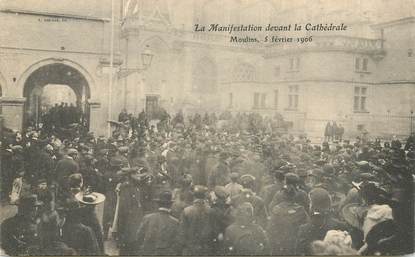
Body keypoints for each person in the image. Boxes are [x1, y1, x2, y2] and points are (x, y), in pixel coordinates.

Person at [296, 188, 348, 255]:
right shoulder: (340, 226)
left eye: (310, 203)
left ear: (313, 206)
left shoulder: (304, 229)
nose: (309, 205)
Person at [267, 181, 308, 255]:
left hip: (280, 244)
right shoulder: (301, 210)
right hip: (295, 245)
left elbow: (270, 229)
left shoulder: (276, 209)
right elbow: (306, 228)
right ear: (294, 196)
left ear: (283, 196)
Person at [135, 191, 181, 255]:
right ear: (170, 205)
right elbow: (177, 243)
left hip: (148, 253)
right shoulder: (175, 222)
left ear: (158, 204)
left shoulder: (147, 218)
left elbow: (139, 237)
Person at [178, 185, 214, 255]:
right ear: (204, 196)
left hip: (190, 249)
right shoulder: (210, 211)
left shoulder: (186, 211)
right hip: (206, 248)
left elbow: (182, 232)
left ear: (194, 196)